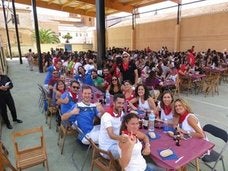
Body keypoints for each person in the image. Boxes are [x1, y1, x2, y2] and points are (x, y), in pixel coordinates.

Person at [99, 94, 125, 159]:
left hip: (116, 142)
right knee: (128, 152)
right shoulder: (107, 116)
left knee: (134, 147)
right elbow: (111, 135)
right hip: (107, 148)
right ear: (113, 103)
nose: (121, 106)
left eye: (123, 103)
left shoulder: (121, 113)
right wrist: (123, 138)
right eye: (119, 103)